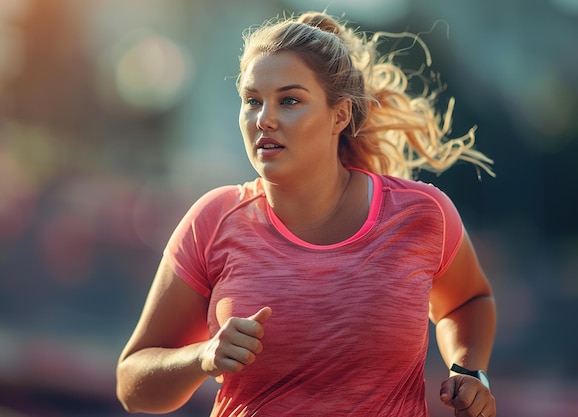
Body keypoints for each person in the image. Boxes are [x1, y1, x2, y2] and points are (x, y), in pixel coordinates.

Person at [116, 10, 497, 417]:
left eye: (290, 101)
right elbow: (132, 384)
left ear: (340, 115)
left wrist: (469, 372)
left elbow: (469, 300)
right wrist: (202, 357)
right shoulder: (213, 219)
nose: (265, 119)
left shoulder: (423, 214)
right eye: (252, 101)